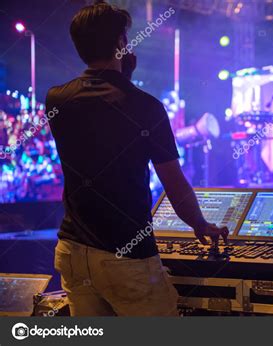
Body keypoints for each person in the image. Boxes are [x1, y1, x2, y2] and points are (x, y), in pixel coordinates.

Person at [46, 1, 228, 316]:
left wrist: (122, 79)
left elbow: (96, 110)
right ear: (121, 43)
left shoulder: (56, 99)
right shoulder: (146, 108)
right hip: (126, 256)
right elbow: (173, 182)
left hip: (72, 251)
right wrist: (200, 225)